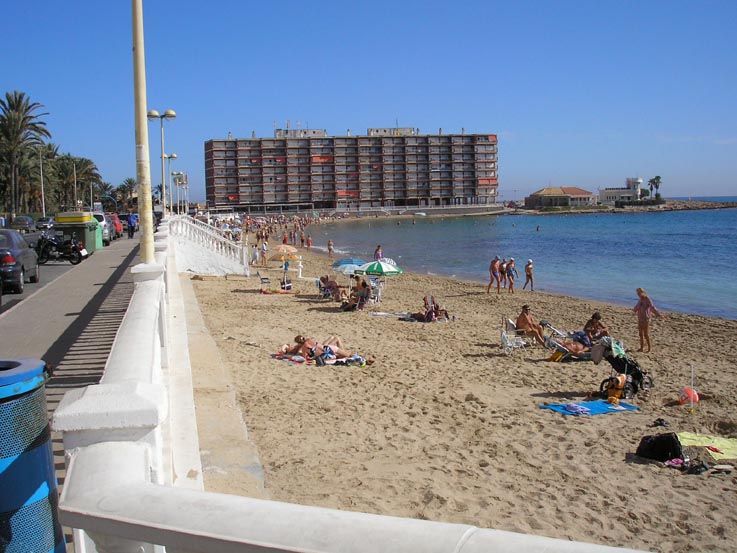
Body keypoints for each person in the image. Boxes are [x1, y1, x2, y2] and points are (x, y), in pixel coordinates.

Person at [633, 287, 664, 352]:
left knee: (646, 334)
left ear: (643, 292)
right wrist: (634, 311)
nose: (638, 294)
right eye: (637, 293)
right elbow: (637, 306)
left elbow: (652, 308)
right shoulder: (640, 299)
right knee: (640, 334)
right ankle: (641, 348)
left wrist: (659, 315)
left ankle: (649, 348)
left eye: (639, 293)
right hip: (640, 318)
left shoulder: (647, 299)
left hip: (646, 319)